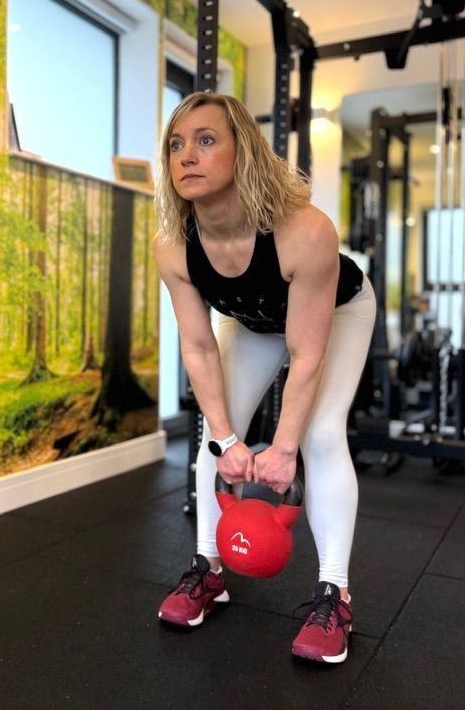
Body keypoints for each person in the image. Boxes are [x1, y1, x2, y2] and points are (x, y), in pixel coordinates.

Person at [152, 92, 375, 664]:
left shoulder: (306, 231)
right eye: (176, 144)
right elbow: (197, 345)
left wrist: (283, 448)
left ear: (243, 151)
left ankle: (335, 597)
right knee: (213, 434)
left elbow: (307, 354)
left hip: (338, 313)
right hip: (253, 322)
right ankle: (208, 570)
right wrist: (228, 439)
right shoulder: (173, 246)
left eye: (206, 140)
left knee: (321, 436)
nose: (186, 155)